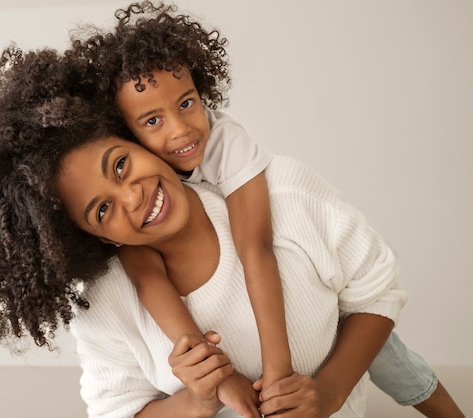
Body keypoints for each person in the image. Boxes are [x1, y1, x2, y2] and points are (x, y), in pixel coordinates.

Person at [0, 45, 407, 418]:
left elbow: (376, 291)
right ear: (87, 237)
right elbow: (117, 410)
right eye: (102, 210)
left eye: (120, 164)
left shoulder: (285, 193)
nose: (131, 198)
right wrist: (196, 400)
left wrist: (330, 392)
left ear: (138, 137)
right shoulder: (107, 300)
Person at [68, 2, 465, 417]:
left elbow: (256, 247)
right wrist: (217, 379)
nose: (180, 130)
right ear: (125, 128)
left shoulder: (230, 149)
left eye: (187, 104)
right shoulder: (129, 241)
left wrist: (281, 373)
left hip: (328, 303)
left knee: (388, 353)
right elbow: (147, 278)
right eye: (151, 121)